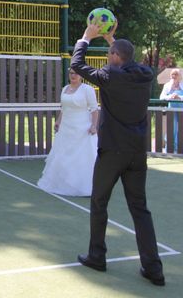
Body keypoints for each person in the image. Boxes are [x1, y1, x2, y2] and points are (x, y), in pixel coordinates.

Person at [71, 22, 165, 286]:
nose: (106, 58)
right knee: (140, 209)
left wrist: (86, 38)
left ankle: (96, 256)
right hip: (136, 152)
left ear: (114, 58)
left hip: (112, 150)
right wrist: (112, 40)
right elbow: (127, 60)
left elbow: (77, 65)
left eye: (109, 54)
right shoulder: (145, 74)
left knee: (99, 202)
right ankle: (154, 269)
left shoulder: (110, 76)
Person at [37, 68, 98, 196]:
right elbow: (63, 109)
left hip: (82, 130)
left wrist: (93, 125)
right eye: (71, 73)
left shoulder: (87, 89)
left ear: (81, 76)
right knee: (62, 156)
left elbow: (94, 109)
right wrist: (58, 122)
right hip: (66, 128)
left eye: (76, 73)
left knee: (82, 157)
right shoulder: (65, 89)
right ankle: (62, 184)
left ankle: (84, 186)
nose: (73, 75)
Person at [159, 68, 182, 151]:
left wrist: (179, 97)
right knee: (171, 128)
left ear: (180, 76)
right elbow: (161, 97)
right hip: (171, 109)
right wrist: (170, 96)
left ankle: (180, 148)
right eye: (173, 74)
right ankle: (169, 148)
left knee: (181, 128)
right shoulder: (167, 85)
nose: (174, 76)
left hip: (181, 110)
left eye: (176, 74)